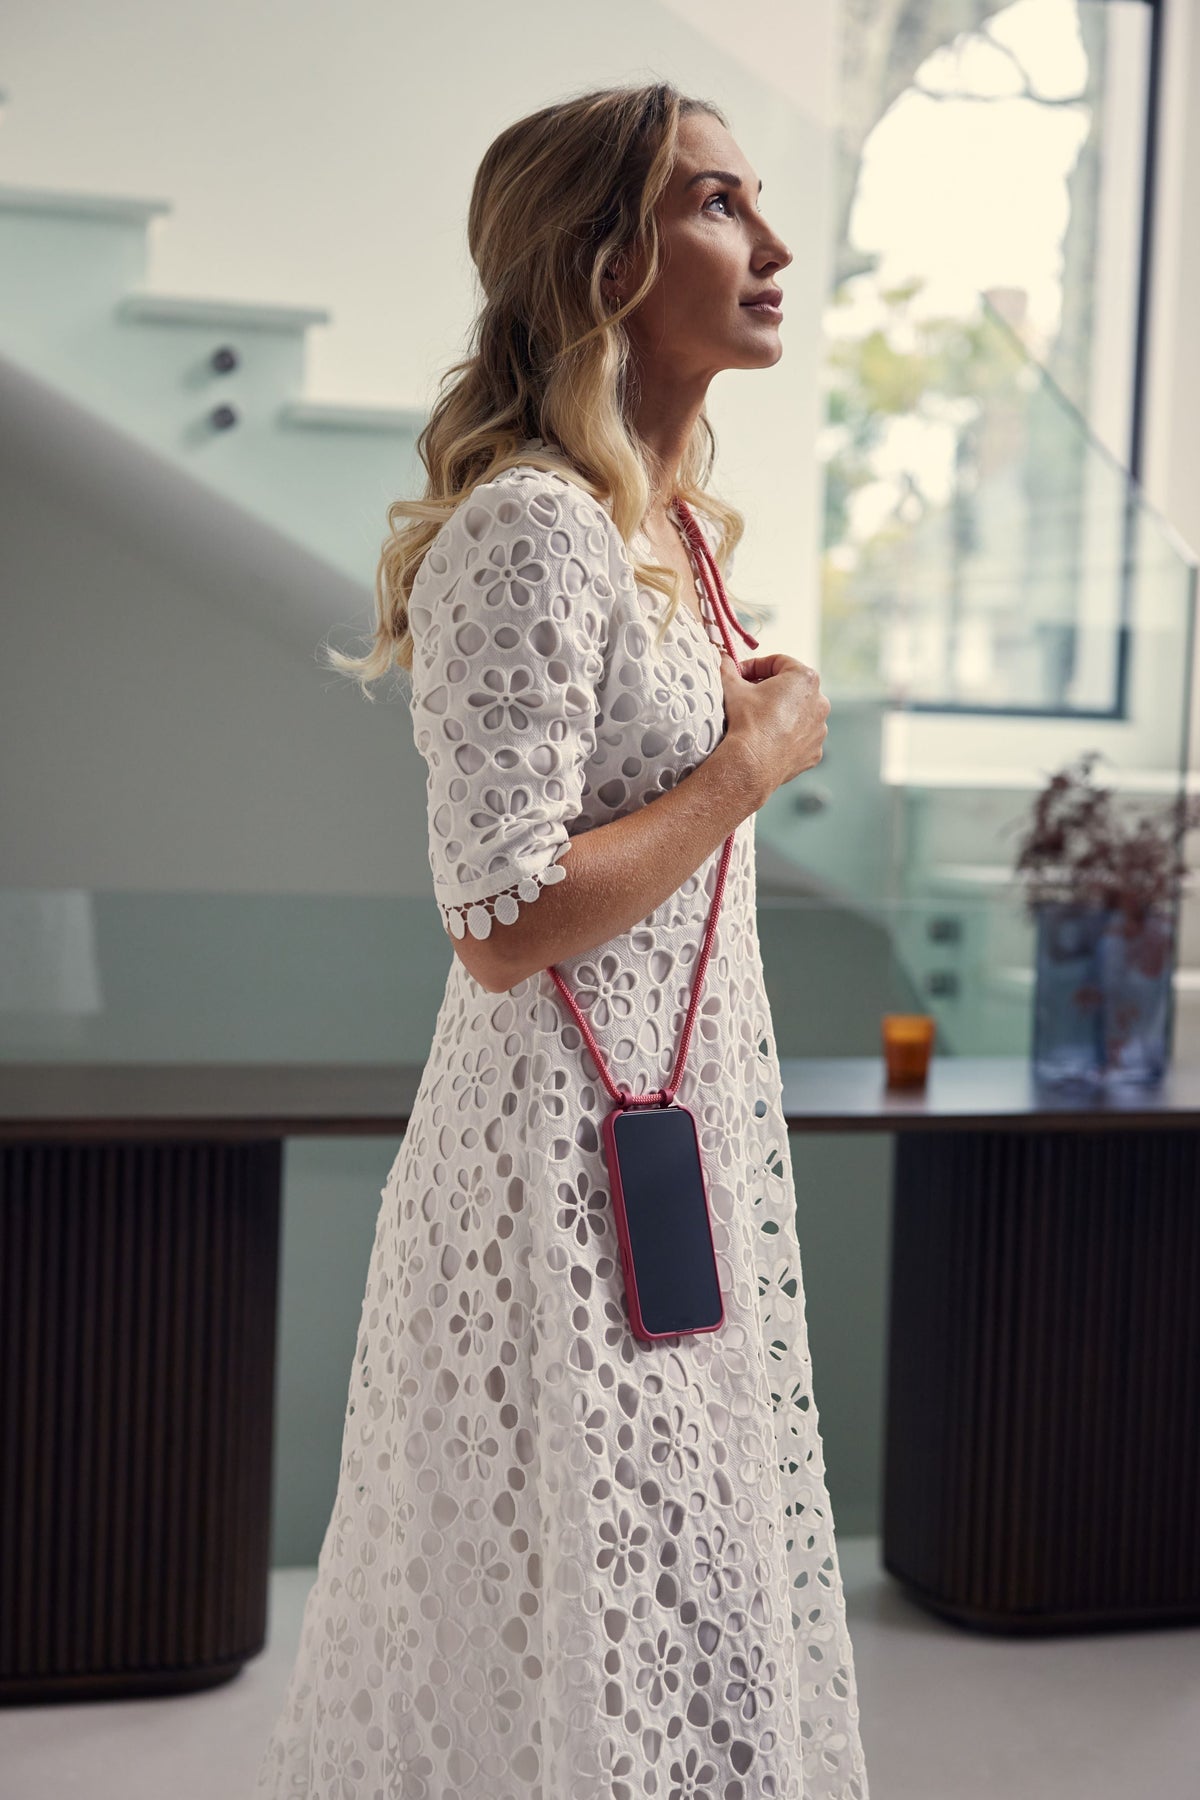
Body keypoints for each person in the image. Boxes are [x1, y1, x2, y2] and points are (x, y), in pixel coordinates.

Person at [255, 81, 868, 1800]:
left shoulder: (665, 535)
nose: (774, 244)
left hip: (675, 1133)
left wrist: (751, 728)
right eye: (719, 205)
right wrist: (754, 762)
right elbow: (505, 922)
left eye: (758, 201)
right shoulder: (532, 523)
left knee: (689, 1593)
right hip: (550, 1158)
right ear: (605, 258)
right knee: (583, 1598)